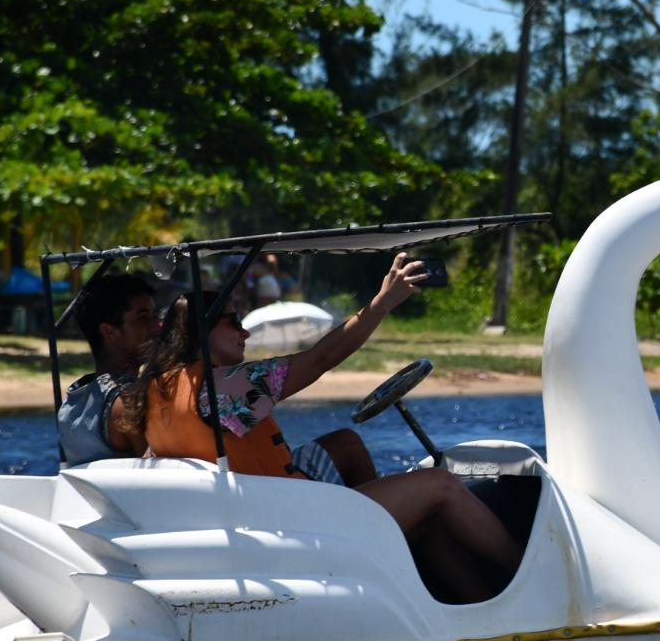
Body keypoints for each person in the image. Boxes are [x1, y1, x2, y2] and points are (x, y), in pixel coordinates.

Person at [119, 252, 521, 602]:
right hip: (297, 526)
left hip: (262, 517)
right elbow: (321, 358)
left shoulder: (153, 387)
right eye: (232, 321)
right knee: (442, 485)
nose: (244, 331)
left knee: (379, 472)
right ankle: (531, 574)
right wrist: (383, 303)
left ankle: (455, 590)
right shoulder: (224, 388)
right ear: (202, 333)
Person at [57, 272, 158, 465]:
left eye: (155, 317)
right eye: (143, 318)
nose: (157, 327)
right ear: (109, 331)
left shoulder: (73, 402)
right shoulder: (129, 401)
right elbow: (163, 476)